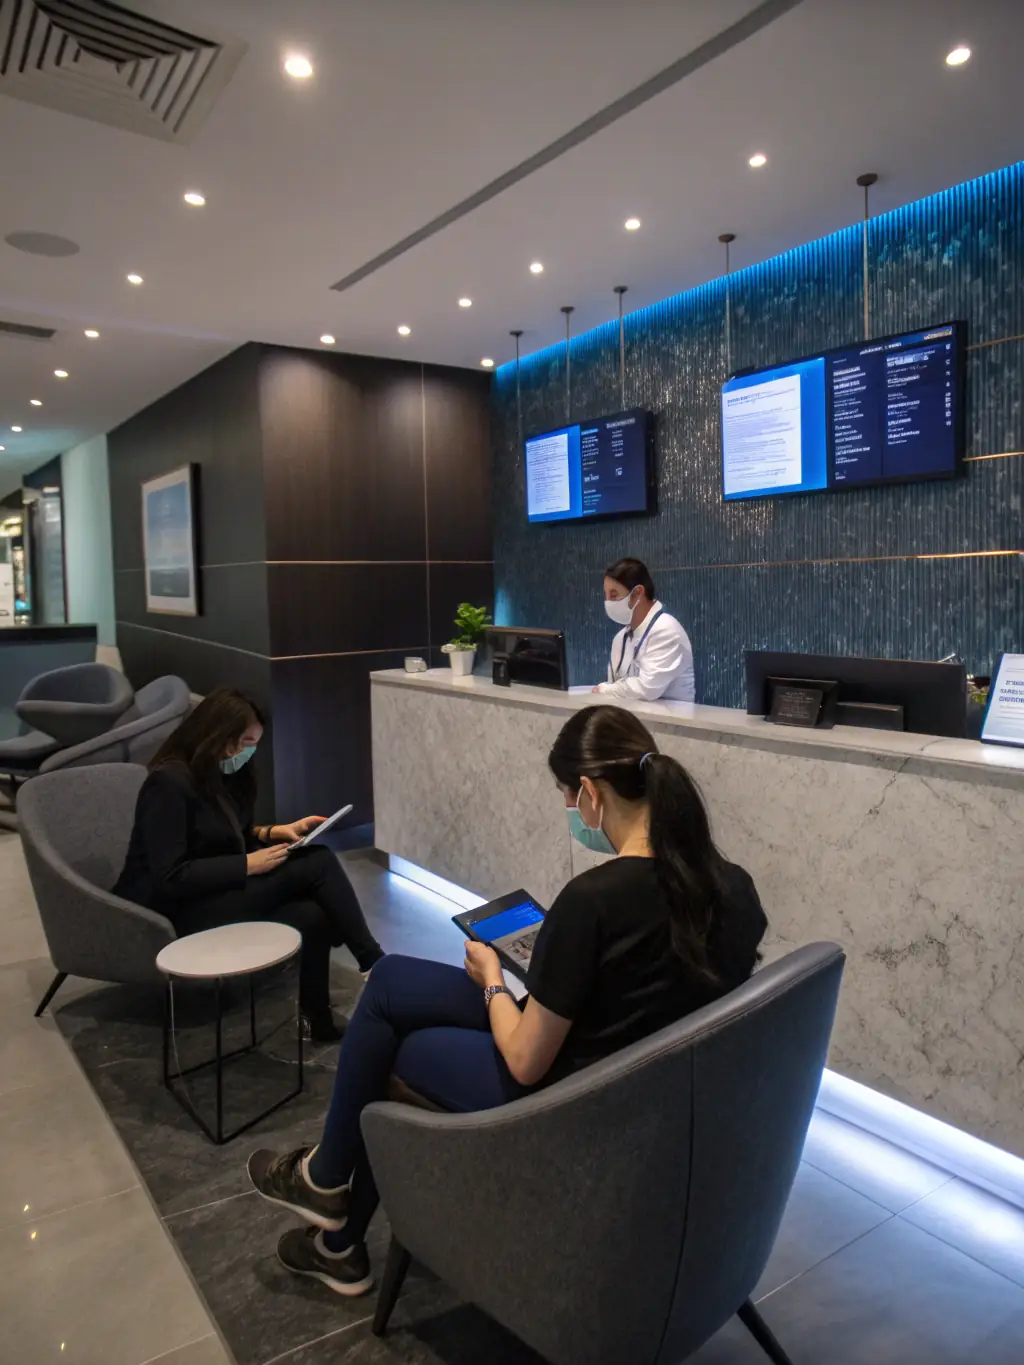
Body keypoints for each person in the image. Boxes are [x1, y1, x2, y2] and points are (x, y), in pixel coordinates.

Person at [246, 704, 766, 1297]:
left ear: (592, 793)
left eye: (567, 798)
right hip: (640, 1079)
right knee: (389, 983)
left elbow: (525, 1060)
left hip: (570, 1097)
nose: (570, 812)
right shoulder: (732, 885)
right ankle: (327, 1195)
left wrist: (494, 978)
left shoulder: (593, 900)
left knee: (395, 1045)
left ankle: (335, 1224)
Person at [113, 687, 382, 1041]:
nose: (248, 752)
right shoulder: (168, 783)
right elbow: (170, 875)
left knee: (312, 916)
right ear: (217, 736)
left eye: (254, 743)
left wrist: (273, 832)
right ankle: (375, 964)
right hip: (173, 910)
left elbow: (224, 835)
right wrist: (247, 865)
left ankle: (317, 1019)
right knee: (316, 862)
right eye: (245, 742)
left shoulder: (220, 775)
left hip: (212, 892)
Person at [594, 556, 695, 702]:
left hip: (670, 723)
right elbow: (615, 687)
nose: (608, 602)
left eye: (614, 595)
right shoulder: (620, 639)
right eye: (606, 595)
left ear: (637, 593)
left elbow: (647, 689)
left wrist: (606, 689)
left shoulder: (667, 631)